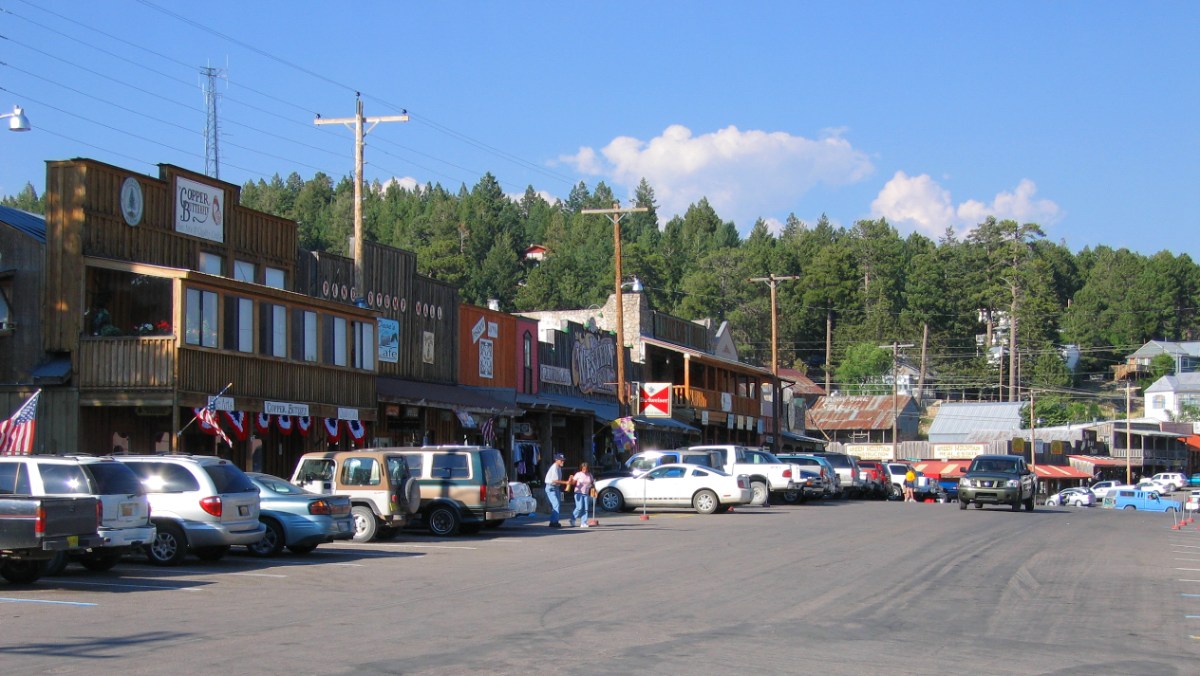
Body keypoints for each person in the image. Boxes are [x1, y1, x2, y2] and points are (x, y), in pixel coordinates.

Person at [544, 453, 569, 527]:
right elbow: (555, 480)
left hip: (556, 487)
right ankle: (554, 522)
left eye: (563, 460)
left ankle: (553, 521)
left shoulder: (559, 468)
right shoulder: (554, 467)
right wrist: (566, 482)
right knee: (556, 504)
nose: (562, 462)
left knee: (557, 504)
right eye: (561, 460)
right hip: (551, 487)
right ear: (556, 460)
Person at [570, 462, 596, 528]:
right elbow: (573, 482)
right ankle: (572, 519)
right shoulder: (578, 474)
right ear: (581, 468)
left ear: (588, 469)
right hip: (578, 492)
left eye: (586, 469)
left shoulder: (589, 475)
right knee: (579, 507)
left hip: (586, 493)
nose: (584, 470)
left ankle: (583, 522)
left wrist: (593, 487)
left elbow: (592, 482)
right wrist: (571, 480)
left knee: (585, 508)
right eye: (583, 469)